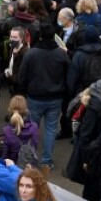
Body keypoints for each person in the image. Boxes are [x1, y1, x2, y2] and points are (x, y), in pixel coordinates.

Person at [18, 26, 69, 168]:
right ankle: (47, 160)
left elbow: (22, 76)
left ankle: (29, 159)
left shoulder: (31, 54)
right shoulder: (61, 54)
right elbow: (68, 75)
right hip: (55, 97)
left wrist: (21, 92)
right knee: (51, 129)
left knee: (32, 128)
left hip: (35, 96)